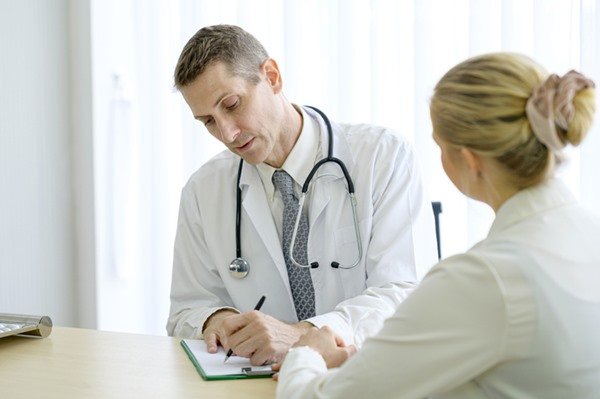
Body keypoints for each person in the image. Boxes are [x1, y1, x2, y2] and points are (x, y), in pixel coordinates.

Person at [275, 52, 600, 398]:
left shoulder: (484, 278)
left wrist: (306, 354)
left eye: (439, 146)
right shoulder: (586, 235)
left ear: (470, 159)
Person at [166, 24, 438, 365]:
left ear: (272, 76)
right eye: (208, 121)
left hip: (367, 375)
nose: (227, 133)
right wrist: (215, 320)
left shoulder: (383, 157)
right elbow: (185, 310)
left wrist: (304, 336)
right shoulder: (203, 190)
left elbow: (403, 294)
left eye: (232, 105)